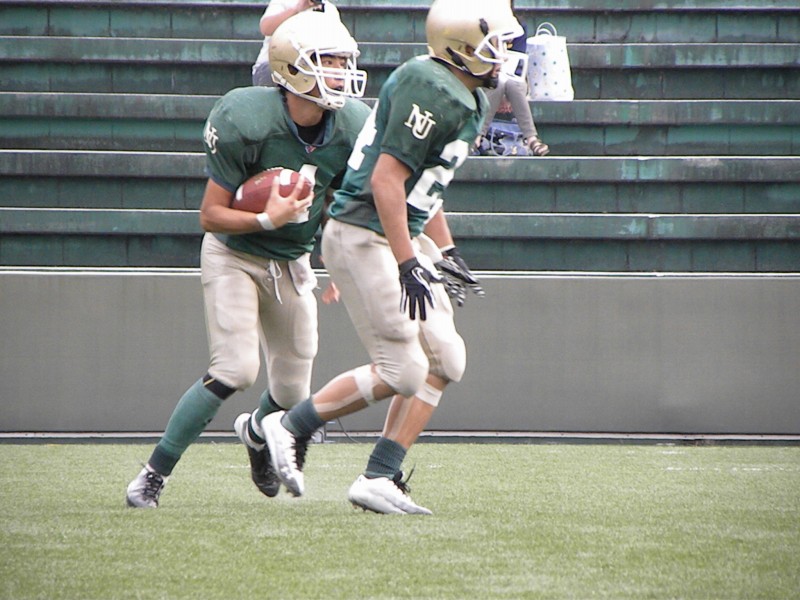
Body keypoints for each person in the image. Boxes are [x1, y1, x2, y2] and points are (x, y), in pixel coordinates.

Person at [259, 0, 523, 515]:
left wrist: (446, 251)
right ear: (462, 47)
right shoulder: (431, 88)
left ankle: (379, 475)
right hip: (364, 232)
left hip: (401, 232)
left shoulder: (464, 93)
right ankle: (289, 425)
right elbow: (386, 181)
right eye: (495, 45)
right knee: (402, 370)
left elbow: (426, 188)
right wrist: (407, 263)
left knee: (446, 360)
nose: (504, 56)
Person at [125, 10, 369, 508]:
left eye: (344, 61)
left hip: (292, 261)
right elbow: (210, 215)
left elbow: (337, 202)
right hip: (235, 254)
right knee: (236, 369)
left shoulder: (352, 125)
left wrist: (340, 259)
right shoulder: (246, 118)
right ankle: (153, 474)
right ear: (292, 68)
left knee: (293, 392)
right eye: (327, 61)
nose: (340, 72)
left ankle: (257, 433)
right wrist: (266, 219)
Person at [477, 0, 549, 157]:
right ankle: (478, 137)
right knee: (498, 84)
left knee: (513, 84)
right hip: (486, 78)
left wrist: (506, 96)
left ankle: (532, 140)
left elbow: (518, 62)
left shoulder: (518, 26)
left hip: (513, 78)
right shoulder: (478, 25)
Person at [251, 0, 341, 86]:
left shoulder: (330, 10)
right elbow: (266, 28)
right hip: (273, 65)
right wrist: (297, 9)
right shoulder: (285, 2)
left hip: (311, 69)